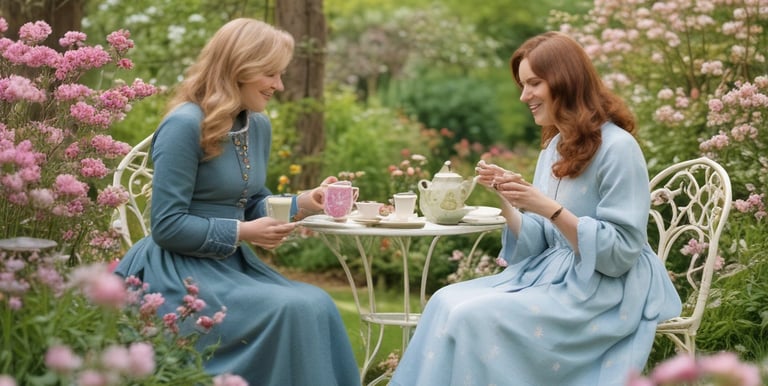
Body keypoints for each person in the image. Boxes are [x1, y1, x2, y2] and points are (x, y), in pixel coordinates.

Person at [389, 31, 682, 386]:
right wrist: (509, 200)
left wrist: (549, 208)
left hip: (606, 289)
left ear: (565, 82)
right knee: (443, 300)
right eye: (522, 85)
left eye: (533, 83)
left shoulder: (619, 148)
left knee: (472, 316)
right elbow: (541, 242)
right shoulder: (554, 147)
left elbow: (620, 253)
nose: (524, 96)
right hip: (553, 277)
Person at [114, 18, 361, 386]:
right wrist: (243, 232)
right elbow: (166, 227)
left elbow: (252, 201)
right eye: (270, 73)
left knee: (319, 303)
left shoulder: (256, 124)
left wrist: (307, 201)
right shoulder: (184, 125)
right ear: (239, 68)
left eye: (281, 74)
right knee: (292, 308)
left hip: (231, 267)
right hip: (176, 274)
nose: (279, 85)